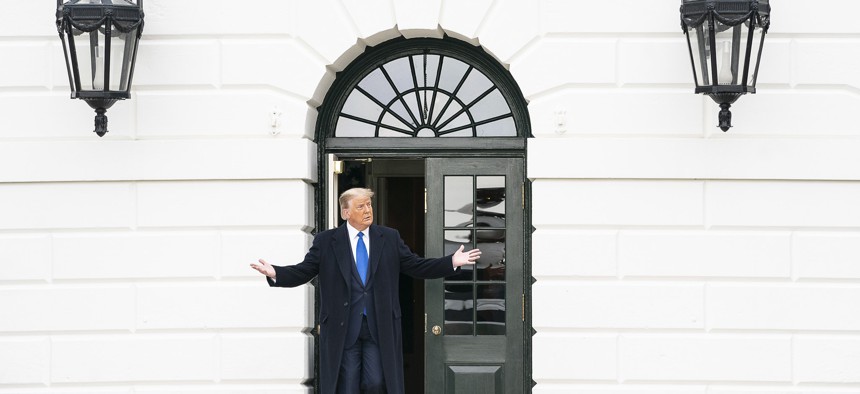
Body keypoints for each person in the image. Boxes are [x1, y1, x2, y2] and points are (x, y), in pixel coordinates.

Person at [250, 187, 481, 394]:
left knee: (376, 383)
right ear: (346, 213)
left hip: (378, 325)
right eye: (360, 206)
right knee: (348, 385)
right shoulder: (327, 241)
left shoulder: (389, 238)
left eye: (369, 204)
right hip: (343, 326)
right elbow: (304, 271)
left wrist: (451, 261)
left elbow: (416, 265)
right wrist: (276, 273)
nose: (368, 210)